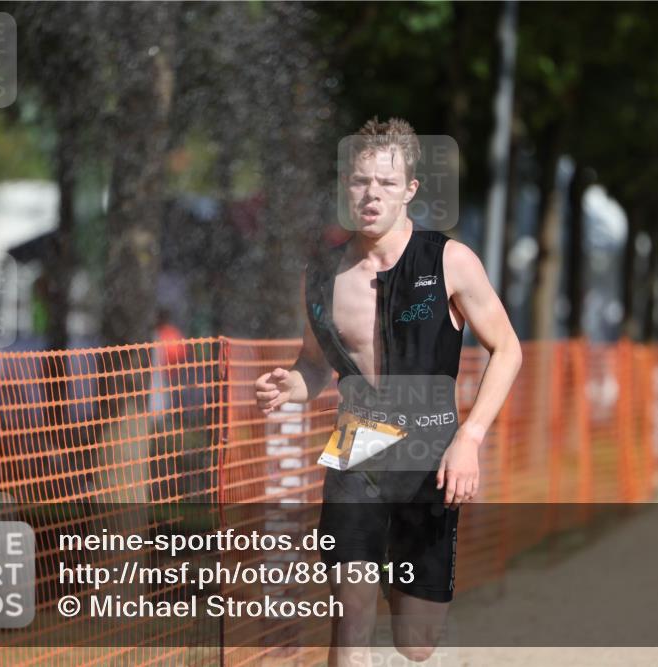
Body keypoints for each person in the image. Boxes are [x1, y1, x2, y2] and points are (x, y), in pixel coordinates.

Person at [254, 118, 522, 665]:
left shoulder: (449, 262)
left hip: (431, 452)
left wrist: (469, 437)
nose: (370, 194)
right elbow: (314, 363)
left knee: (416, 642)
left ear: (410, 191)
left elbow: (509, 349)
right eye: (358, 182)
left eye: (385, 182)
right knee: (351, 613)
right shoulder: (322, 274)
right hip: (359, 447)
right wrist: (293, 384)